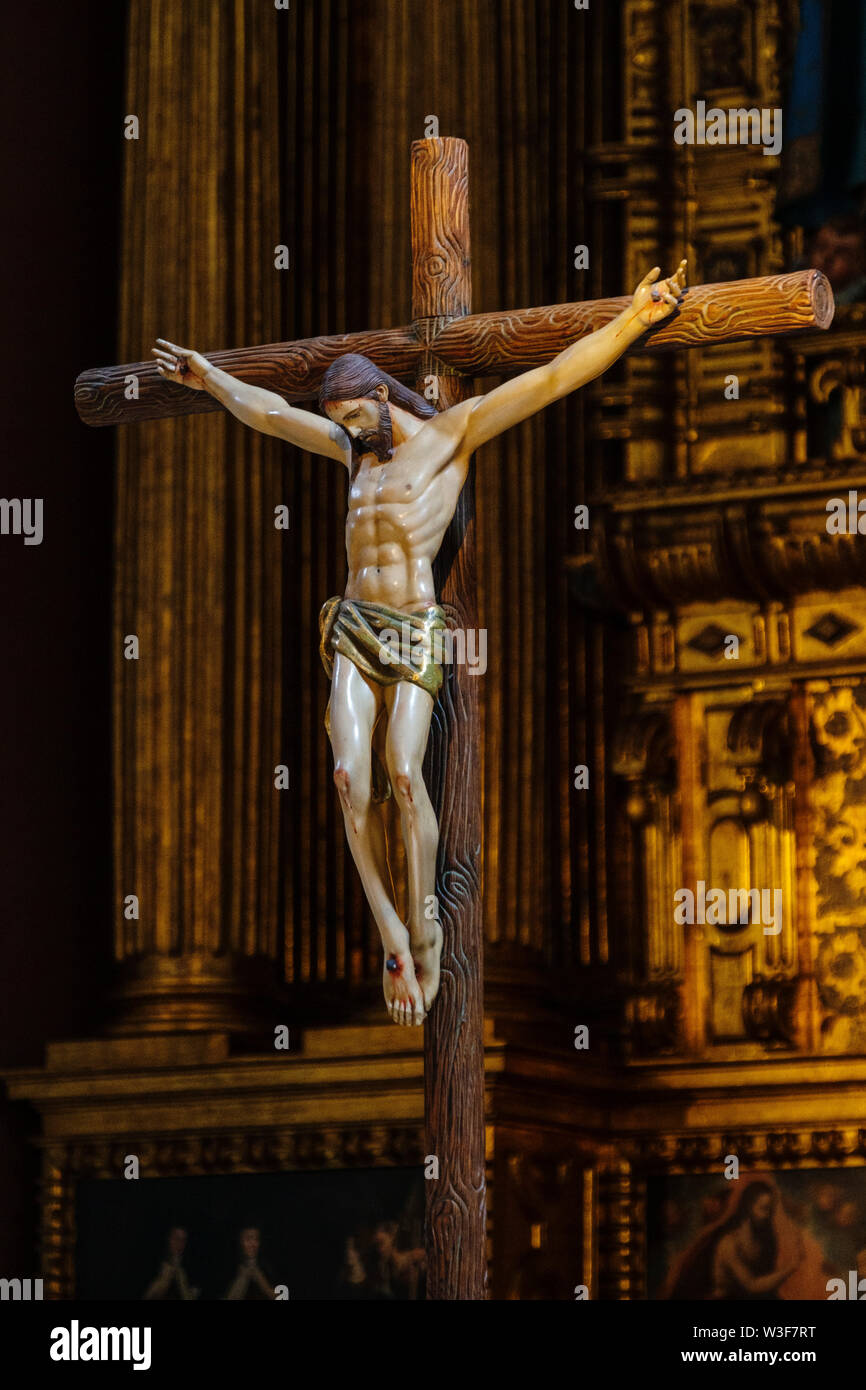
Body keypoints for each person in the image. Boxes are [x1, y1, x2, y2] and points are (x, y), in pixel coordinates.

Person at [153, 260, 686, 1026]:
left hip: (414, 628)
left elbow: (553, 378)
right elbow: (269, 413)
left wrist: (635, 319)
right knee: (344, 775)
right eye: (337, 421)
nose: (345, 430)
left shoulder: (449, 437)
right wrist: (209, 380)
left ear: (379, 397)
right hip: (355, 626)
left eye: (352, 417)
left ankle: (428, 919)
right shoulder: (349, 453)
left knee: (403, 774)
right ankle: (391, 931)